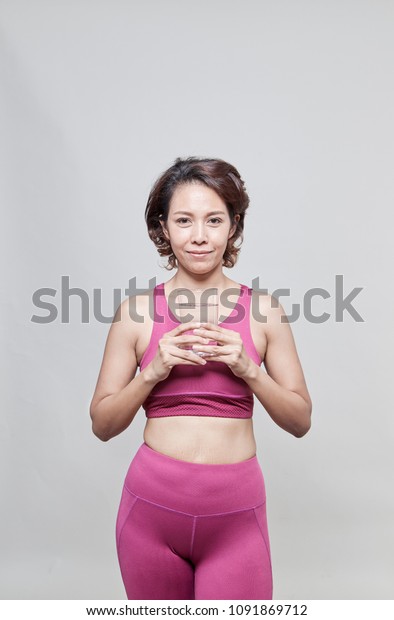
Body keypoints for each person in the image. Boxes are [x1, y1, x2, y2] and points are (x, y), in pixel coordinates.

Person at [89, 157, 312, 600]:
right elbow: (103, 426)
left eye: (214, 220)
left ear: (233, 226)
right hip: (151, 514)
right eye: (184, 220)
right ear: (164, 228)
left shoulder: (264, 311)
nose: (199, 236)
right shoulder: (135, 313)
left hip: (235, 516)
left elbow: (300, 421)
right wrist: (151, 374)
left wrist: (249, 370)